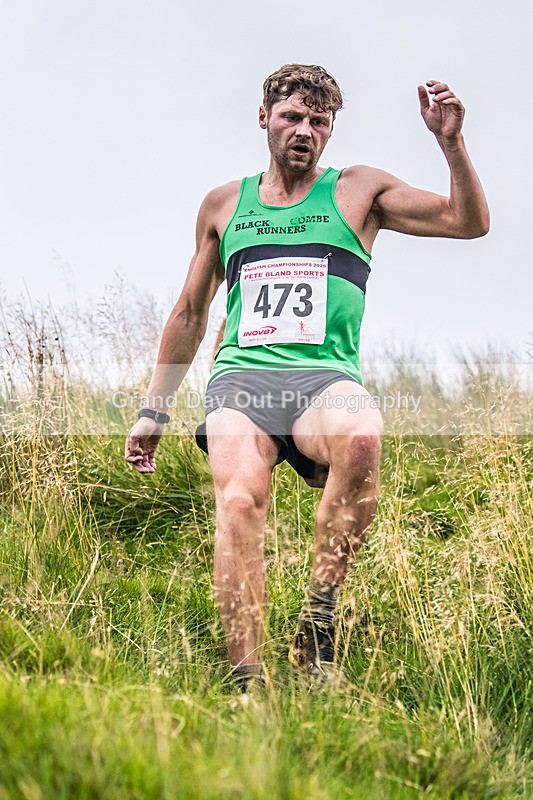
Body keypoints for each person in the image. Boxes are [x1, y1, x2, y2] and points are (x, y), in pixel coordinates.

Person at [124, 64, 489, 690]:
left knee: (364, 437)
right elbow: (190, 311)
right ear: (264, 118)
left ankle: (316, 631)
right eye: (293, 117)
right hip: (243, 381)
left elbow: (467, 221)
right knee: (239, 501)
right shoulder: (223, 204)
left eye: (319, 122)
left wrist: (451, 143)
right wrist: (153, 411)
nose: (305, 131)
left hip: (325, 381)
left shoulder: (357, 191)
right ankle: (247, 683)